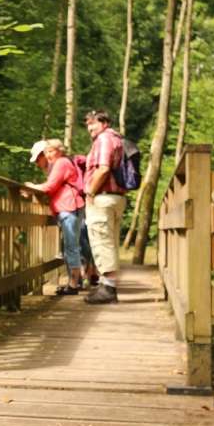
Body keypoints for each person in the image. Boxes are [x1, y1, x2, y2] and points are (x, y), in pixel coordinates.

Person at [25, 139, 84, 295]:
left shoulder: (61, 163)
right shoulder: (59, 164)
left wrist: (32, 187)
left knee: (71, 246)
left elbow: (50, 186)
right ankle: (75, 281)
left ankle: (74, 284)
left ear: (59, 151)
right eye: (47, 152)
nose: (48, 155)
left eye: (50, 152)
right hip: (68, 207)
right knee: (69, 246)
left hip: (68, 207)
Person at [82, 110, 126, 304]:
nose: (89, 127)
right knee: (110, 242)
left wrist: (90, 192)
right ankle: (106, 286)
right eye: (87, 124)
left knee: (101, 241)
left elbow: (104, 168)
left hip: (103, 197)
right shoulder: (117, 139)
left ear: (105, 123)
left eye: (93, 123)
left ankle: (108, 289)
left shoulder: (104, 139)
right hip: (115, 197)